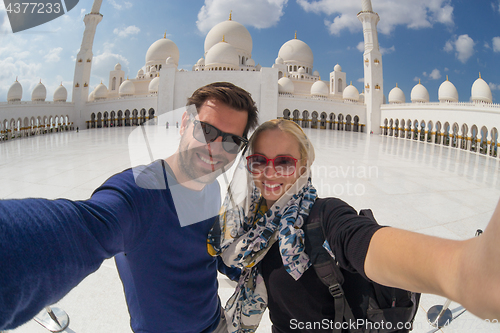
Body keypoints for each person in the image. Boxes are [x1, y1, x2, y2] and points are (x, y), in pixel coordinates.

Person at [0, 82, 258, 332]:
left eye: (231, 142)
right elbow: (82, 228)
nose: (215, 149)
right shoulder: (139, 193)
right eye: (207, 131)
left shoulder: (211, 187)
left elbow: (207, 250)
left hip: (218, 322)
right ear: (184, 123)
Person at [208, 119, 500, 332]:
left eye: (284, 162)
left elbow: (363, 241)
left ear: (303, 165)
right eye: (259, 161)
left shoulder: (325, 214)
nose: (269, 172)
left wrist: (461, 271)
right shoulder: (247, 230)